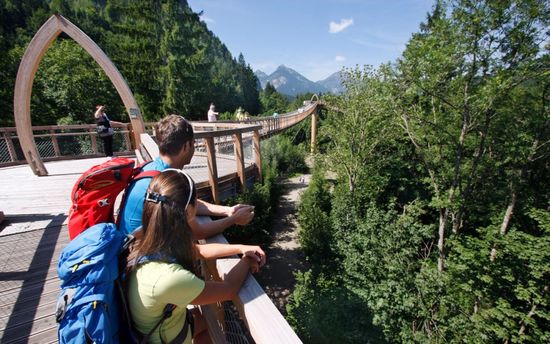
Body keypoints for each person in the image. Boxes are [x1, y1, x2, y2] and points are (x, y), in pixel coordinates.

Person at [127, 169, 266, 344]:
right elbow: (229, 289)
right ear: (189, 211)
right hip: (165, 338)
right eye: (196, 202)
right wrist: (247, 260)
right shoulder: (170, 278)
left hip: (164, 323)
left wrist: (241, 248)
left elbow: (199, 251)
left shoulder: (146, 238)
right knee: (210, 324)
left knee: (205, 322)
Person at [119, 114, 255, 239]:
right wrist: (233, 220)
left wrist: (228, 211)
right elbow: (196, 232)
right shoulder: (168, 182)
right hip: (138, 259)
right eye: (193, 144)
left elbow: (187, 202)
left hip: (126, 248)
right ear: (186, 146)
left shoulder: (151, 168)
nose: (194, 148)